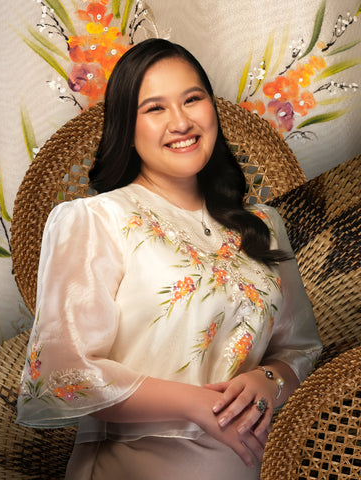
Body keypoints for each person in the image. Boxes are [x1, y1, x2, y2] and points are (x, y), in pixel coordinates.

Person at [16, 38, 322, 479]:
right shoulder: (94, 219)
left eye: (192, 99)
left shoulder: (262, 224)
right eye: (155, 108)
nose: (181, 122)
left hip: (256, 465)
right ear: (127, 125)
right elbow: (64, 373)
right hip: (134, 465)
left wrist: (267, 381)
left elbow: (300, 348)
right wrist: (195, 404)